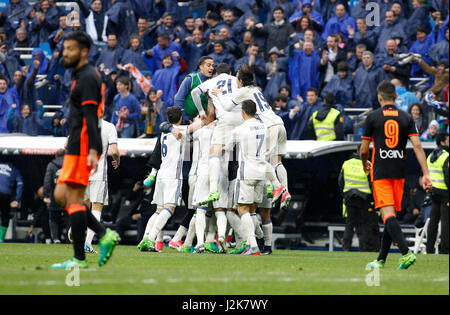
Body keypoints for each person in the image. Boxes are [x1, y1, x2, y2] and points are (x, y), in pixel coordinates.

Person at [52, 31, 120, 269]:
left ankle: (80, 257)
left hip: (82, 149)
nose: (65, 52)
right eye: (65, 48)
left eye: (70, 48)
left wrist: (93, 149)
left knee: (73, 198)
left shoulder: (89, 77)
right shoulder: (79, 75)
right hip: (75, 148)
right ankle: (104, 235)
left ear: (83, 51)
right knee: (63, 196)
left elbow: (92, 118)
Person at [361, 81, 433, 270]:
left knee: (387, 215)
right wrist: (426, 173)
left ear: (379, 97)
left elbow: (363, 150)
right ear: (395, 97)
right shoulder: (406, 117)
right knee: (390, 215)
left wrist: (364, 162)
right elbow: (417, 146)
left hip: (381, 172)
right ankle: (381, 260)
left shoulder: (373, 117)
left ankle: (406, 253)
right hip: (399, 173)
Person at [137, 106, 203, 252]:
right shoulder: (180, 131)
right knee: (169, 208)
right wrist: (201, 116)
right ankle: (151, 238)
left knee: (158, 210)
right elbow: (201, 124)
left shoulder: (163, 134)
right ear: (180, 118)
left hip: (161, 175)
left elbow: (164, 127)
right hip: (173, 176)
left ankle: (144, 238)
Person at [223, 100, 267, 255]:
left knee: (242, 209)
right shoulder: (263, 126)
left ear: (243, 112)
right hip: (261, 173)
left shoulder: (240, 129)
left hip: (247, 173)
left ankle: (253, 245)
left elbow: (227, 147)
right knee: (253, 210)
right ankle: (259, 238)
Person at [83, 119, 120, 253]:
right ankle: (87, 242)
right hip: (98, 172)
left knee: (84, 206)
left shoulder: (82, 123)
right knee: (97, 207)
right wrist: (117, 160)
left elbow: (67, 145)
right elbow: (114, 151)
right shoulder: (109, 126)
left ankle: (74, 230)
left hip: (82, 171)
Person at [339, 145, 379, 252]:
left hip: (349, 197)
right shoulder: (368, 164)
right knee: (363, 224)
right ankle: (363, 247)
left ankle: (346, 247)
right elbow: (372, 184)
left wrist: (345, 194)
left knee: (350, 223)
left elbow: (340, 182)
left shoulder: (346, 163)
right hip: (364, 198)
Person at [426, 132, 449, 254]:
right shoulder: (446, 156)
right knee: (446, 222)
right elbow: (448, 177)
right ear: (442, 142)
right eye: (448, 140)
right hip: (445, 193)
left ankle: (429, 249)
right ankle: (445, 250)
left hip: (434, 192)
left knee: (433, 222)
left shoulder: (430, 155)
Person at [174, 56, 214, 120]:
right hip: (189, 118)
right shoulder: (190, 79)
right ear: (201, 67)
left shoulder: (213, 81)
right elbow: (178, 99)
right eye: (208, 65)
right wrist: (184, 119)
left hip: (206, 118)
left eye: (213, 66)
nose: (212, 68)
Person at [43, 149, 66, 243]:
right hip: (67, 196)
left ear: (56, 155)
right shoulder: (70, 164)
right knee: (69, 219)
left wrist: (46, 195)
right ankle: (69, 238)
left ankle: (56, 238)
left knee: (53, 218)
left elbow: (47, 181)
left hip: (55, 195)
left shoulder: (51, 165)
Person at [0, 159, 23, 243]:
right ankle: (1, 239)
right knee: (5, 216)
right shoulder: (15, 170)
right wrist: (17, 199)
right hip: (5, 194)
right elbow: (20, 184)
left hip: (5, 192)